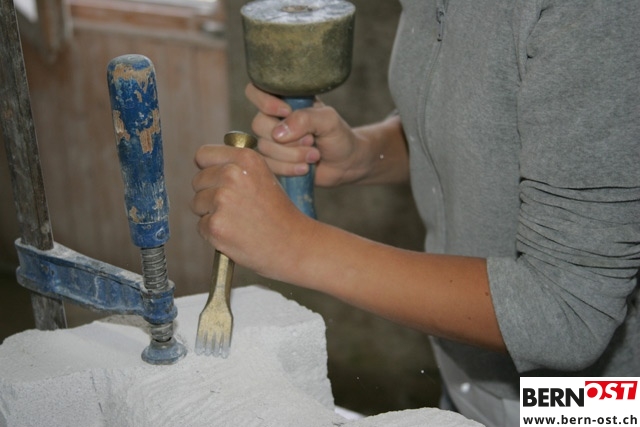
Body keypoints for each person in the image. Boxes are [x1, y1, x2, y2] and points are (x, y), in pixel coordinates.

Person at [191, 1, 640, 425]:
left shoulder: (593, 13)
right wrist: (364, 155)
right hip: (463, 372)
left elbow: (568, 310)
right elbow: (495, 123)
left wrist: (297, 246)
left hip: (592, 402)